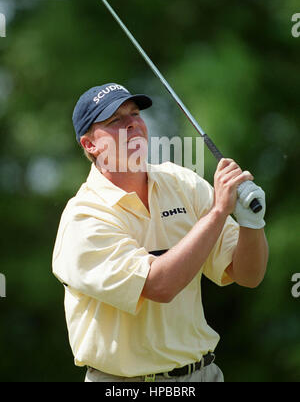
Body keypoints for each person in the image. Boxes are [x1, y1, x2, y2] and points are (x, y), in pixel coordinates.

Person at [52, 82, 268, 383]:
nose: (132, 125)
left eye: (135, 113)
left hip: (204, 374)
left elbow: (248, 274)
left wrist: (251, 224)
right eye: (115, 121)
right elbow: (159, 286)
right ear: (90, 145)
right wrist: (219, 212)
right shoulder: (83, 218)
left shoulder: (182, 183)